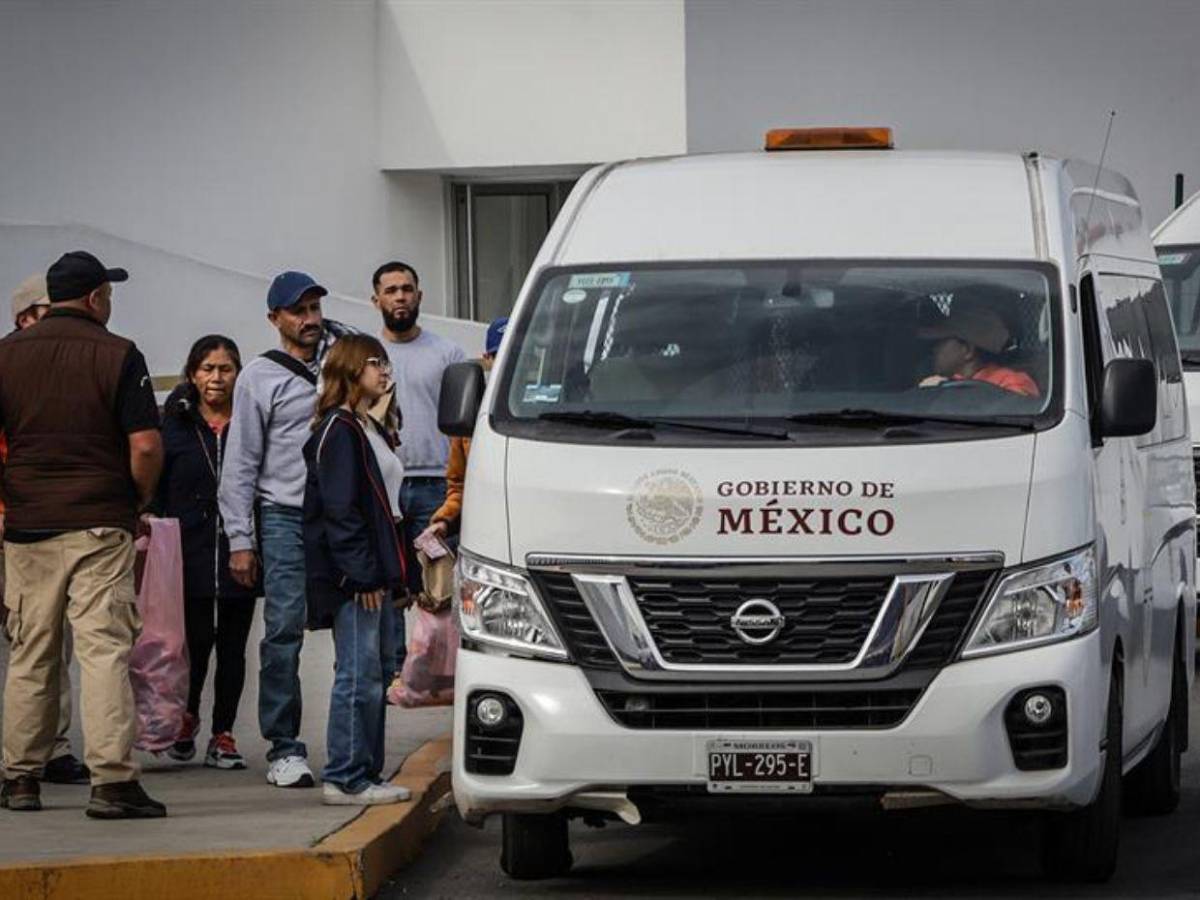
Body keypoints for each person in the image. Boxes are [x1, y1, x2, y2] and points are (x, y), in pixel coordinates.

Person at [0, 251, 165, 818]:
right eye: (108, 293)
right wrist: (136, 498)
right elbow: (145, 445)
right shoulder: (119, 353)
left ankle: (20, 778)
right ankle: (112, 783)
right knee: (103, 652)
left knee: (31, 653)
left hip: (26, 527)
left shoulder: (6, 354)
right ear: (96, 298)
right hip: (99, 523)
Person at [218, 270, 329, 789]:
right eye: (298, 311)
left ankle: (355, 744)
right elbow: (239, 462)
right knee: (283, 630)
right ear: (275, 319)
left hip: (340, 516)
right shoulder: (258, 377)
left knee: (357, 625)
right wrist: (240, 540)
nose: (309, 319)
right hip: (283, 514)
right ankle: (284, 746)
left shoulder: (344, 359)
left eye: (314, 308)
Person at [303, 335, 409, 806]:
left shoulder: (366, 426)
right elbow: (340, 510)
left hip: (375, 572)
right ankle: (345, 776)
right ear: (349, 369)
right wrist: (361, 576)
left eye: (386, 364)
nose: (384, 371)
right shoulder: (339, 430)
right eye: (374, 363)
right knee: (359, 672)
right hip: (357, 576)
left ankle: (366, 770)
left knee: (377, 671)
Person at [156, 336, 257, 769]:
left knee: (233, 646)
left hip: (241, 548)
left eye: (226, 369)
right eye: (207, 369)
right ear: (193, 373)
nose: (216, 378)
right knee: (194, 643)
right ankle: (188, 715)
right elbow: (157, 484)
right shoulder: (174, 423)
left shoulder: (249, 422)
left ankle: (224, 733)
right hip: (189, 549)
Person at [371, 261, 465, 681]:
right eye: (391, 290)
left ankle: (435, 671)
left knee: (438, 585)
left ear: (420, 295)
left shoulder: (448, 354)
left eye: (407, 288)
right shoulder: (367, 356)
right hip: (383, 485)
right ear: (377, 300)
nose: (400, 297)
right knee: (390, 583)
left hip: (435, 487)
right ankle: (392, 672)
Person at [419, 316, 507, 546]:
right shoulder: (470, 411)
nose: (509, 364)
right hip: (486, 529)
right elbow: (458, 485)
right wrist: (444, 520)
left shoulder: (547, 410)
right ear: (487, 359)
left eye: (516, 355)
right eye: (502, 356)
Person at [918, 302, 1039, 397]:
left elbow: (1012, 420)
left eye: (941, 341)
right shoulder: (949, 382)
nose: (934, 348)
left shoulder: (1012, 382)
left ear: (968, 350)